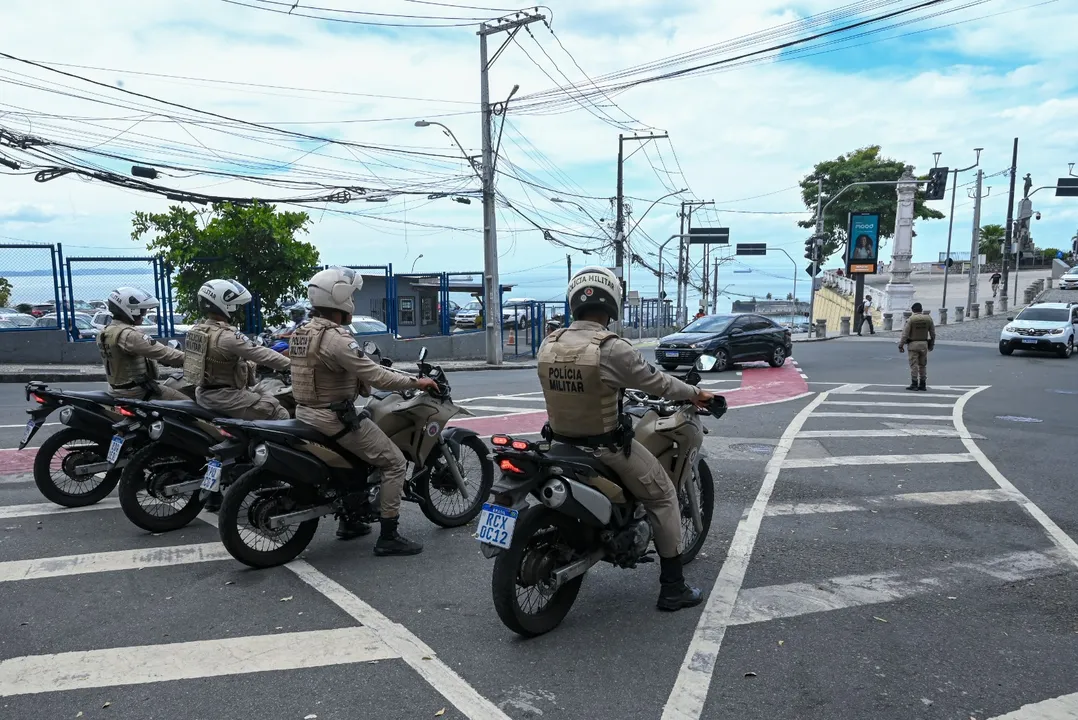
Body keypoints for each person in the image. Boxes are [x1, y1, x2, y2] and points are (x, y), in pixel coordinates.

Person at [537, 266, 715, 612]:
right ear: (612, 304)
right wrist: (695, 393)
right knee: (663, 495)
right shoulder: (612, 349)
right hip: (604, 450)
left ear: (574, 302)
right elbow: (658, 384)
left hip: (558, 445)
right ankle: (673, 588)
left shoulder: (550, 343)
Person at [289, 267, 440, 553]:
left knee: (356, 461)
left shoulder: (303, 332)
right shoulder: (336, 339)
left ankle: (351, 521)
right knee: (394, 462)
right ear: (340, 299)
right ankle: (389, 536)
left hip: (306, 413)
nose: (354, 303)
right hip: (333, 417)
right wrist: (416, 381)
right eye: (352, 296)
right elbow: (376, 376)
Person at [183, 279, 292, 420]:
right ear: (225, 305)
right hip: (226, 399)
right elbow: (262, 354)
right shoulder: (228, 336)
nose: (238, 310)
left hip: (204, 394)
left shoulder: (197, 330)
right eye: (236, 305)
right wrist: (293, 365)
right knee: (279, 412)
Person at [97, 286, 186, 400]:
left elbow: (136, 355)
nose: (144, 313)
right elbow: (164, 353)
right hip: (137, 391)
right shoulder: (130, 335)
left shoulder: (107, 331)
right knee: (190, 406)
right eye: (142, 310)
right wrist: (192, 359)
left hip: (117, 389)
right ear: (130, 309)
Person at [898, 302, 935, 391]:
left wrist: (901, 345)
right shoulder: (928, 319)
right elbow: (933, 333)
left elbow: (905, 334)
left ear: (912, 310)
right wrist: (931, 344)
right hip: (924, 344)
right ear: (921, 310)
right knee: (923, 365)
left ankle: (914, 383)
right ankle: (923, 384)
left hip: (913, 344)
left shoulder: (911, 319)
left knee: (914, 365)